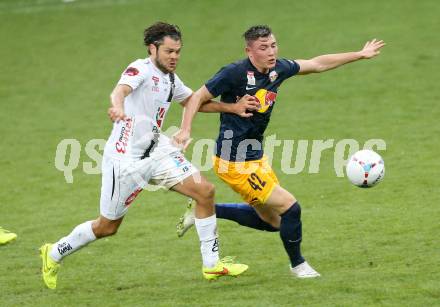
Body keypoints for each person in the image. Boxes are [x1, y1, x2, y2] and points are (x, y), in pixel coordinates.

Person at [39, 22, 248, 290]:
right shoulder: (140, 69)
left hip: (158, 149)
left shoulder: (171, 78)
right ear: (153, 48)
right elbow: (120, 91)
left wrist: (233, 107)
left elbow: (194, 101)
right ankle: (54, 252)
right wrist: (116, 107)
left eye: (178, 51)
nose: (174, 57)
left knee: (205, 191)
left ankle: (212, 265)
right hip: (126, 162)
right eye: (169, 51)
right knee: (107, 227)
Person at [174, 25, 385, 278]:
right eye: (263, 48)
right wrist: (189, 128)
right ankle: (299, 265)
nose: (271, 52)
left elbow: (316, 64)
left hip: (255, 156)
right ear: (249, 51)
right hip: (233, 161)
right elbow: (196, 98)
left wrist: (359, 54)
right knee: (290, 208)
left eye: (273, 45)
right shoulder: (234, 73)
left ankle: (204, 210)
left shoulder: (278, 70)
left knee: (273, 222)